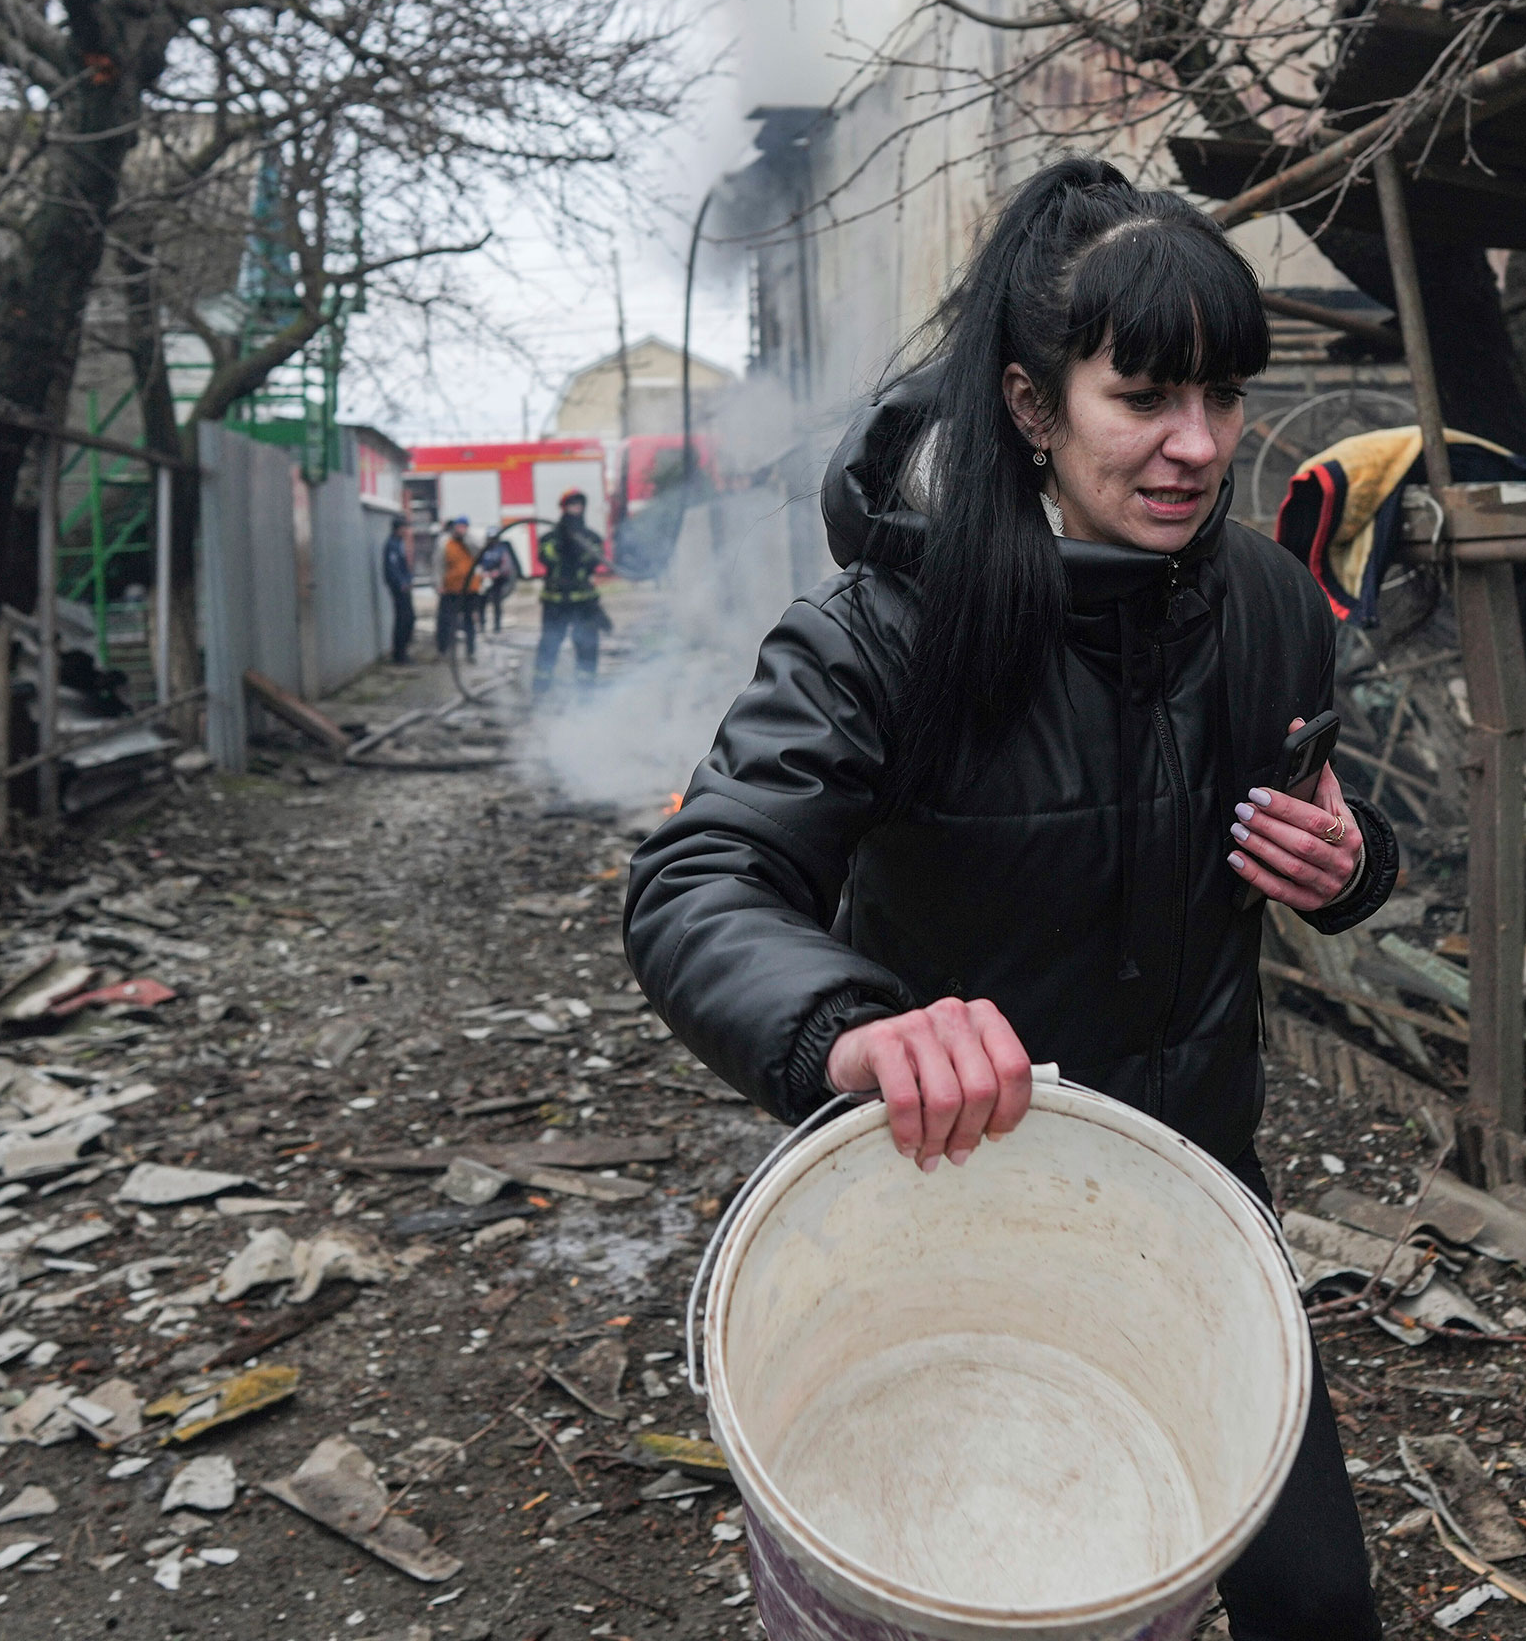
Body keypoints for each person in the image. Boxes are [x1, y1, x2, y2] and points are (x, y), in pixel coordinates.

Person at [626, 159, 1396, 1641]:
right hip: (943, 1216)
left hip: (1191, 1217)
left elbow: (1340, 835)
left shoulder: (1274, 611)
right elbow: (699, 877)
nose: (1196, 446)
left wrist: (1356, 871)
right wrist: (856, 1031)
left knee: (1316, 1602)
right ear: (1034, 405)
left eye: (1223, 397)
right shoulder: (886, 632)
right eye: (1145, 397)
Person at [535, 490, 609, 693]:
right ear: (564, 508)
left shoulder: (592, 538)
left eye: (579, 505)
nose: (576, 509)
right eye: (571, 505)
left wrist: (580, 550)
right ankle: (541, 691)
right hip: (555, 602)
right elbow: (546, 558)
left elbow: (595, 561)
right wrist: (563, 545)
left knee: (587, 647)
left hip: (583, 603)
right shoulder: (550, 538)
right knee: (549, 647)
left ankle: (586, 694)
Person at [435, 515, 483, 661]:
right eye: (459, 526)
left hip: (470, 589)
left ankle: (471, 652)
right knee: (446, 620)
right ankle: (443, 650)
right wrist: (438, 584)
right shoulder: (445, 543)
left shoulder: (471, 542)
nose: (461, 529)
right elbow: (438, 565)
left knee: (469, 622)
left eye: (464, 527)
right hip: (451, 589)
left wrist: (466, 538)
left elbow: (480, 552)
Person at [382, 519, 416, 664]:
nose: (407, 531)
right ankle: (399, 655)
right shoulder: (392, 545)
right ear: (398, 529)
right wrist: (401, 583)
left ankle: (403, 651)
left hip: (405, 586)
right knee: (403, 620)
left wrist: (408, 580)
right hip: (399, 588)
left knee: (409, 618)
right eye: (405, 528)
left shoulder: (400, 543)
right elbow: (392, 568)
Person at [478, 530, 518, 632]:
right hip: (485, 580)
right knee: (481, 603)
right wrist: (482, 573)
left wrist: (498, 572)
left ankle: (497, 626)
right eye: (490, 539)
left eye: (493, 539)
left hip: (497, 580)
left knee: (497, 603)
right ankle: (482, 624)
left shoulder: (502, 550)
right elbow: (478, 564)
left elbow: (507, 565)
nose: (491, 541)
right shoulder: (483, 550)